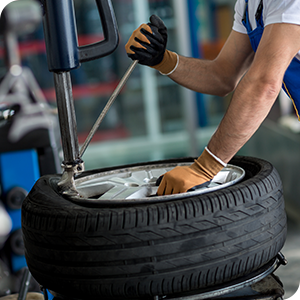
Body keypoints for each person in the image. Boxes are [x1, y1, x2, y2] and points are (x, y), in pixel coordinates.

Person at [125, 0, 300, 196]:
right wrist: (163, 60)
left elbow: (263, 83)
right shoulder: (248, 5)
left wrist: (205, 168)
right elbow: (222, 77)